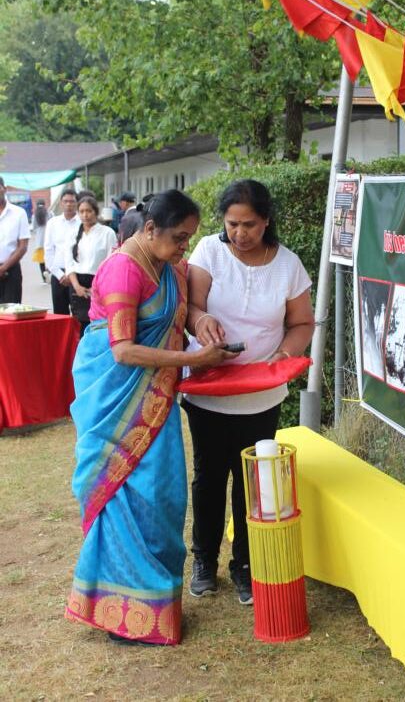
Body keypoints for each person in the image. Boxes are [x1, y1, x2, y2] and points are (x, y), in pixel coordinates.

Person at [65, 189, 238, 646]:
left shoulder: (170, 265)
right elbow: (122, 351)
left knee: (162, 496)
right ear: (149, 230)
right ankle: (121, 615)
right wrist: (194, 361)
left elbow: (179, 316)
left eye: (189, 238)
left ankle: (155, 605)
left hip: (156, 397)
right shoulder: (124, 269)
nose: (185, 246)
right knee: (122, 494)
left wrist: (200, 327)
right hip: (116, 395)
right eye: (180, 237)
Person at [183, 179, 314, 605]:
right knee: (208, 477)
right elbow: (192, 308)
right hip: (209, 388)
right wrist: (202, 323)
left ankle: (244, 565)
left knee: (252, 481)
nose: (239, 234)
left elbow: (302, 324)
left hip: (261, 395)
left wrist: (283, 355)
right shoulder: (209, 251)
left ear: (267, 221)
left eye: (249, 225)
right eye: (232, 224)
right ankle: (204, 561)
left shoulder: (288, 265)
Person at [64, 196, 117, 334]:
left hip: (98, 283)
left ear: (96, 212)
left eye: (88, 211)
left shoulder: (107, 233)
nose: (85, 215)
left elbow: (111, 263)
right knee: (79, 326)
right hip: (77, 284)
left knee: (97, 324)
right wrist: (77, 286)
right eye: (81, 211)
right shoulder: (73, 233)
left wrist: (97, 288)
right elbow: (69, 263)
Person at [44, 188, 80, 315]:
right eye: (66, 201)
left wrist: (72, 276)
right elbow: (48, 251)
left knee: (79, 314)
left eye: (72, 201)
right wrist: (60, 275)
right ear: (61, 203)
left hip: (78, 275)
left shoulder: (82, 223)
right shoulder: (53, 223)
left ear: (77, 203)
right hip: (58, 274)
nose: (69, 204)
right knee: (60, 314)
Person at [0, 175, 30, 303]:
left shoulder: (19, 213)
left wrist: (3, 268)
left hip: (11, 271)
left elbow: (23, 246)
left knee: (11, 310)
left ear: (4, 189)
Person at [31, 200, 51, 281]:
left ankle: (44, 278)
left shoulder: (34, 215)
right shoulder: (49, 213)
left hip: (40, 241)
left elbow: (33, 227)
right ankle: (49, 273)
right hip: (49, 239)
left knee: (41, 260)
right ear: (44, 204)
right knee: (50, 257)